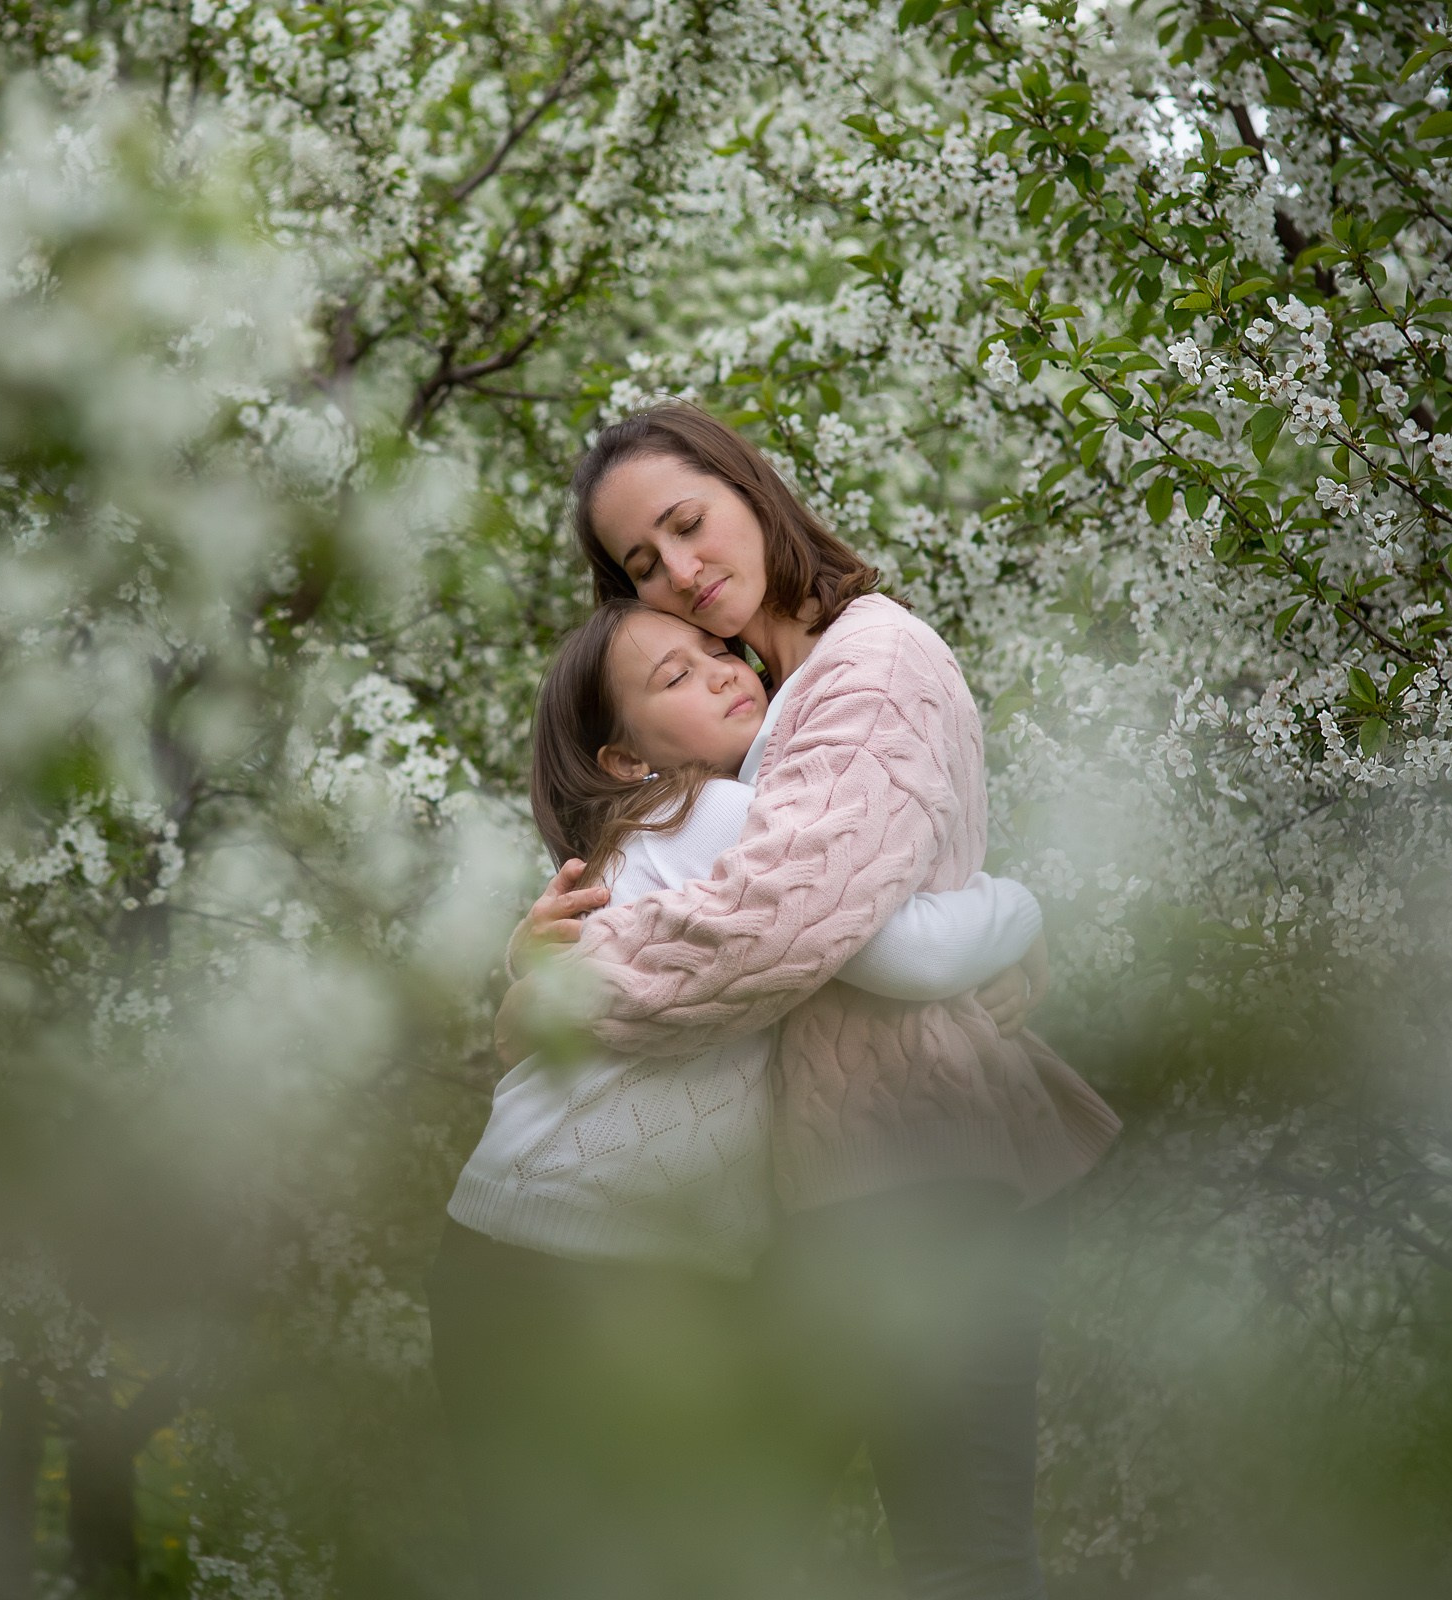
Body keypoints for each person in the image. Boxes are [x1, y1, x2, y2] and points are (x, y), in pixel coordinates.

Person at [497, 403, 1120, 1599]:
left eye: (688, 523)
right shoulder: (757, 709)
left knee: (957, 1559)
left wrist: (563, 1002)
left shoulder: (868, 663)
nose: (681, 572)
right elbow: (704, 877)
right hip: (819, 1197)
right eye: (643, 564)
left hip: (915, 1175)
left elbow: (782, 923)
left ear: (748, 487)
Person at [431, 596, 1046, 1600]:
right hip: (566, 1271)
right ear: (626, 758)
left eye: (716, 650)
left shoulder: (662, 835)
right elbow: (909, 948)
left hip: (515, 1251)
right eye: (674, 678)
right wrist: (1025, 906)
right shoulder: (718, 816)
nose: (722, 670)